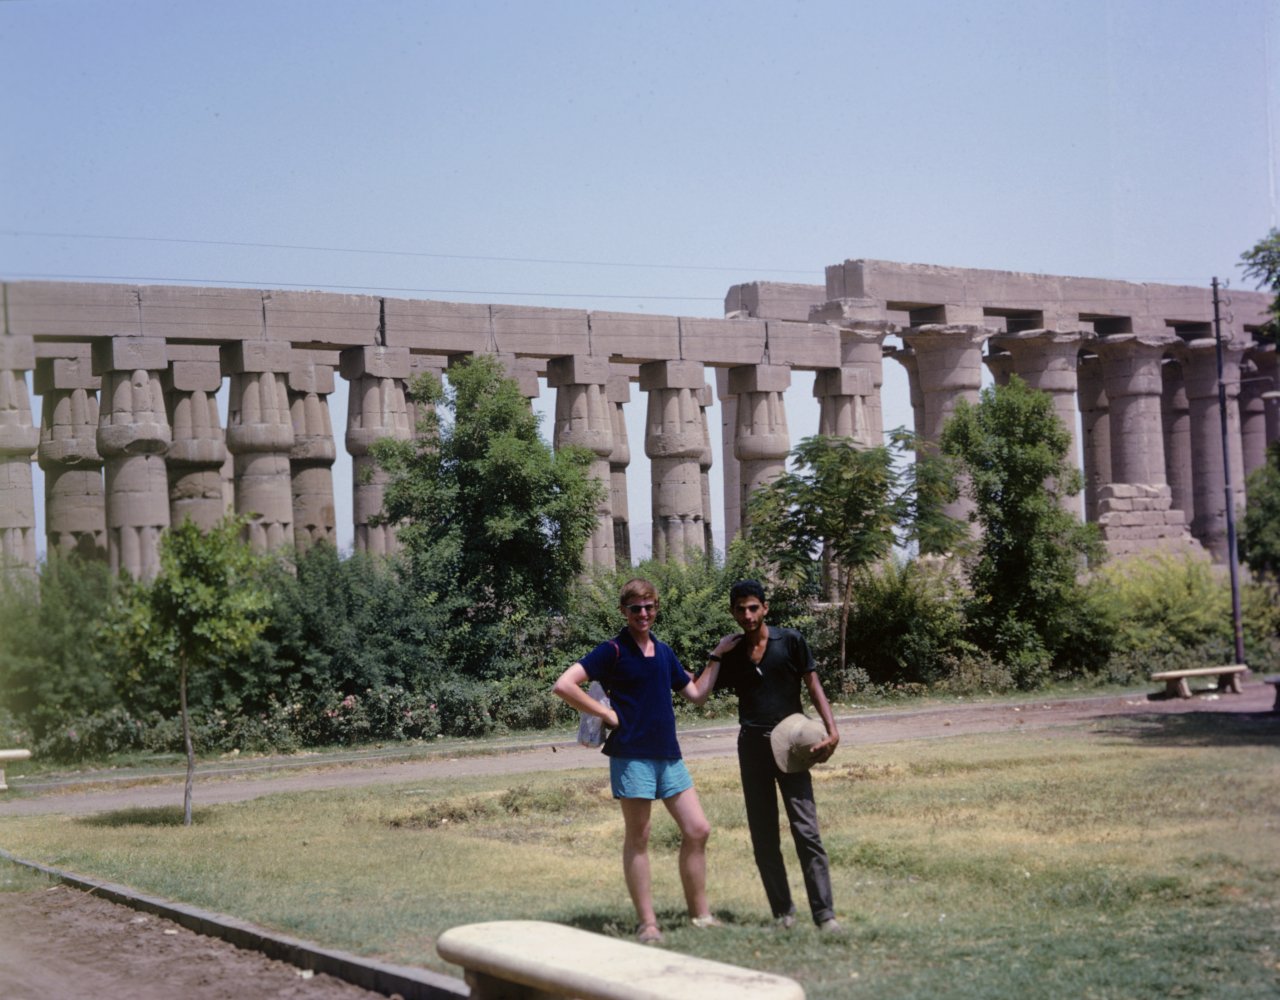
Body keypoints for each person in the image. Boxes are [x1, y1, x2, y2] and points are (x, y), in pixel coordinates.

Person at [552, 578, 720, 944]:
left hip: (669, 755)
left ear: (656, 608)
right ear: (623, 612)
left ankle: (701, 915)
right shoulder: (612, 650)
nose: (643, 614)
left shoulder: (664, 653)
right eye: (635, 608)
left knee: (698, 829)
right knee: (639, 837)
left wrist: (718, 657)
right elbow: (564, 684)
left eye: (648, 607)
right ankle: (648, 924)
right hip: (631, 756)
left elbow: (696, 695)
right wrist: (606, 714)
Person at [700, 579, 843, 932]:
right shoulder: (732, 652)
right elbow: (698, 690)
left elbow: (813, 684)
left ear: (765, 608)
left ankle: (825, 916)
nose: (747, 615)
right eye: (740, 609)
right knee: (763, 835)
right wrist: (716, 654)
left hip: (792, 745)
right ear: (733, 612)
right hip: (751, 747)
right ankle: (784, 914)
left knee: (805, 829)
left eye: (753, 608)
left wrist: (832, 730)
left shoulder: (790, 641)